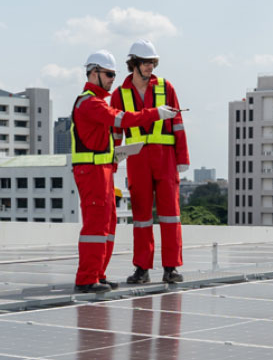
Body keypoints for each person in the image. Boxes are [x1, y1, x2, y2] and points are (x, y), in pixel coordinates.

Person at [71, 50, 174, 294]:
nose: (111, 80)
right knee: (96, 227)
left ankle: (97, 274)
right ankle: (86, 278)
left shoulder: (96, 102)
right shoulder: (89, 102)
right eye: (108, 74)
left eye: (114, 75)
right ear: (94, 72)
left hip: (103, 171)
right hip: (92, 172)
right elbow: (122, 120)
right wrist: (155, 113)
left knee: (106, 227)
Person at [111, 39, 189, 285]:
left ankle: (171, 268)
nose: (150, 68)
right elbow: (115, 132)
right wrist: (113, 161)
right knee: (142, 216)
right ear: (133, 64)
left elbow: (178, 124)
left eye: (152, 63)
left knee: (170, 215)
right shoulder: (119, 94)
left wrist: (182, 158)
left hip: (165, 157)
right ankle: (142, 269)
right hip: (137, 159)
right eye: (145, 63)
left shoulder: (167, 88)